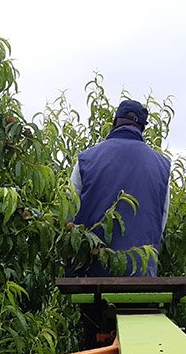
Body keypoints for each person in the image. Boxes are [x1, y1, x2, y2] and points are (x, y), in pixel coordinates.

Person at [70, 99, 171, 277]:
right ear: (142, 128)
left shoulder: (85, 160)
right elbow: (161, 221)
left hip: (90, 276)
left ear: (114, 122)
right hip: (140, 273)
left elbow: (69, 212)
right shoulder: (161, 166)